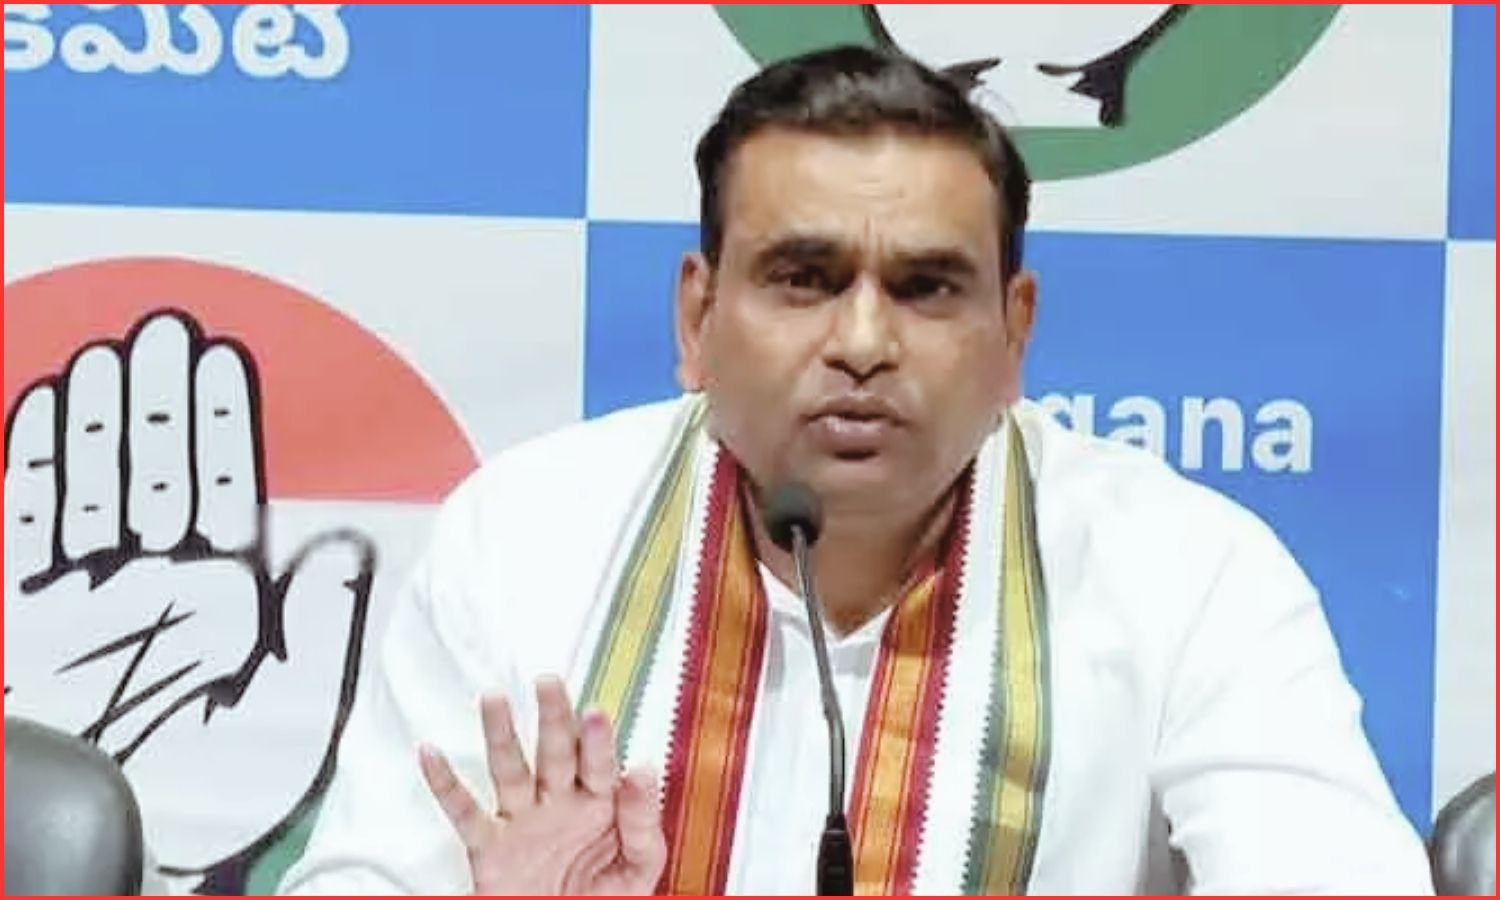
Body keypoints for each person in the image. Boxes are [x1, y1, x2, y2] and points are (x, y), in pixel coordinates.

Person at [279, 46, 1433, 895]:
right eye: (804, 278)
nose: (865, 343)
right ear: (697, 320)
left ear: (1014, 335)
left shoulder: (1185, 569)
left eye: (927, 287)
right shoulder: (528, 533)